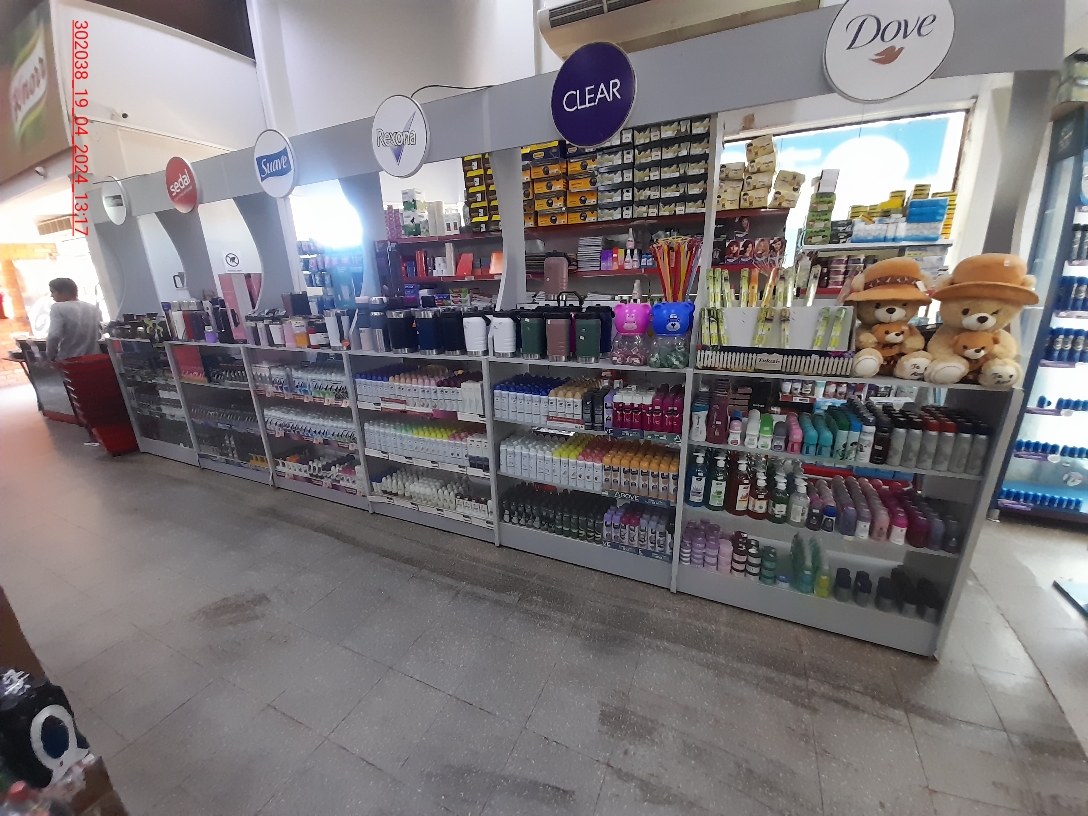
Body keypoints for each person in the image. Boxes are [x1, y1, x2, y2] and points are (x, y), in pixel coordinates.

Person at [45, 278, 101, 361]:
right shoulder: (93, 308)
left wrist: (50, 356)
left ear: (64, 292)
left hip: (70, 360)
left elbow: (54, 335)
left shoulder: (57, 307)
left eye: (53, 292)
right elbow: (99, 333)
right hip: (94, 359)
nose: (51, 295)